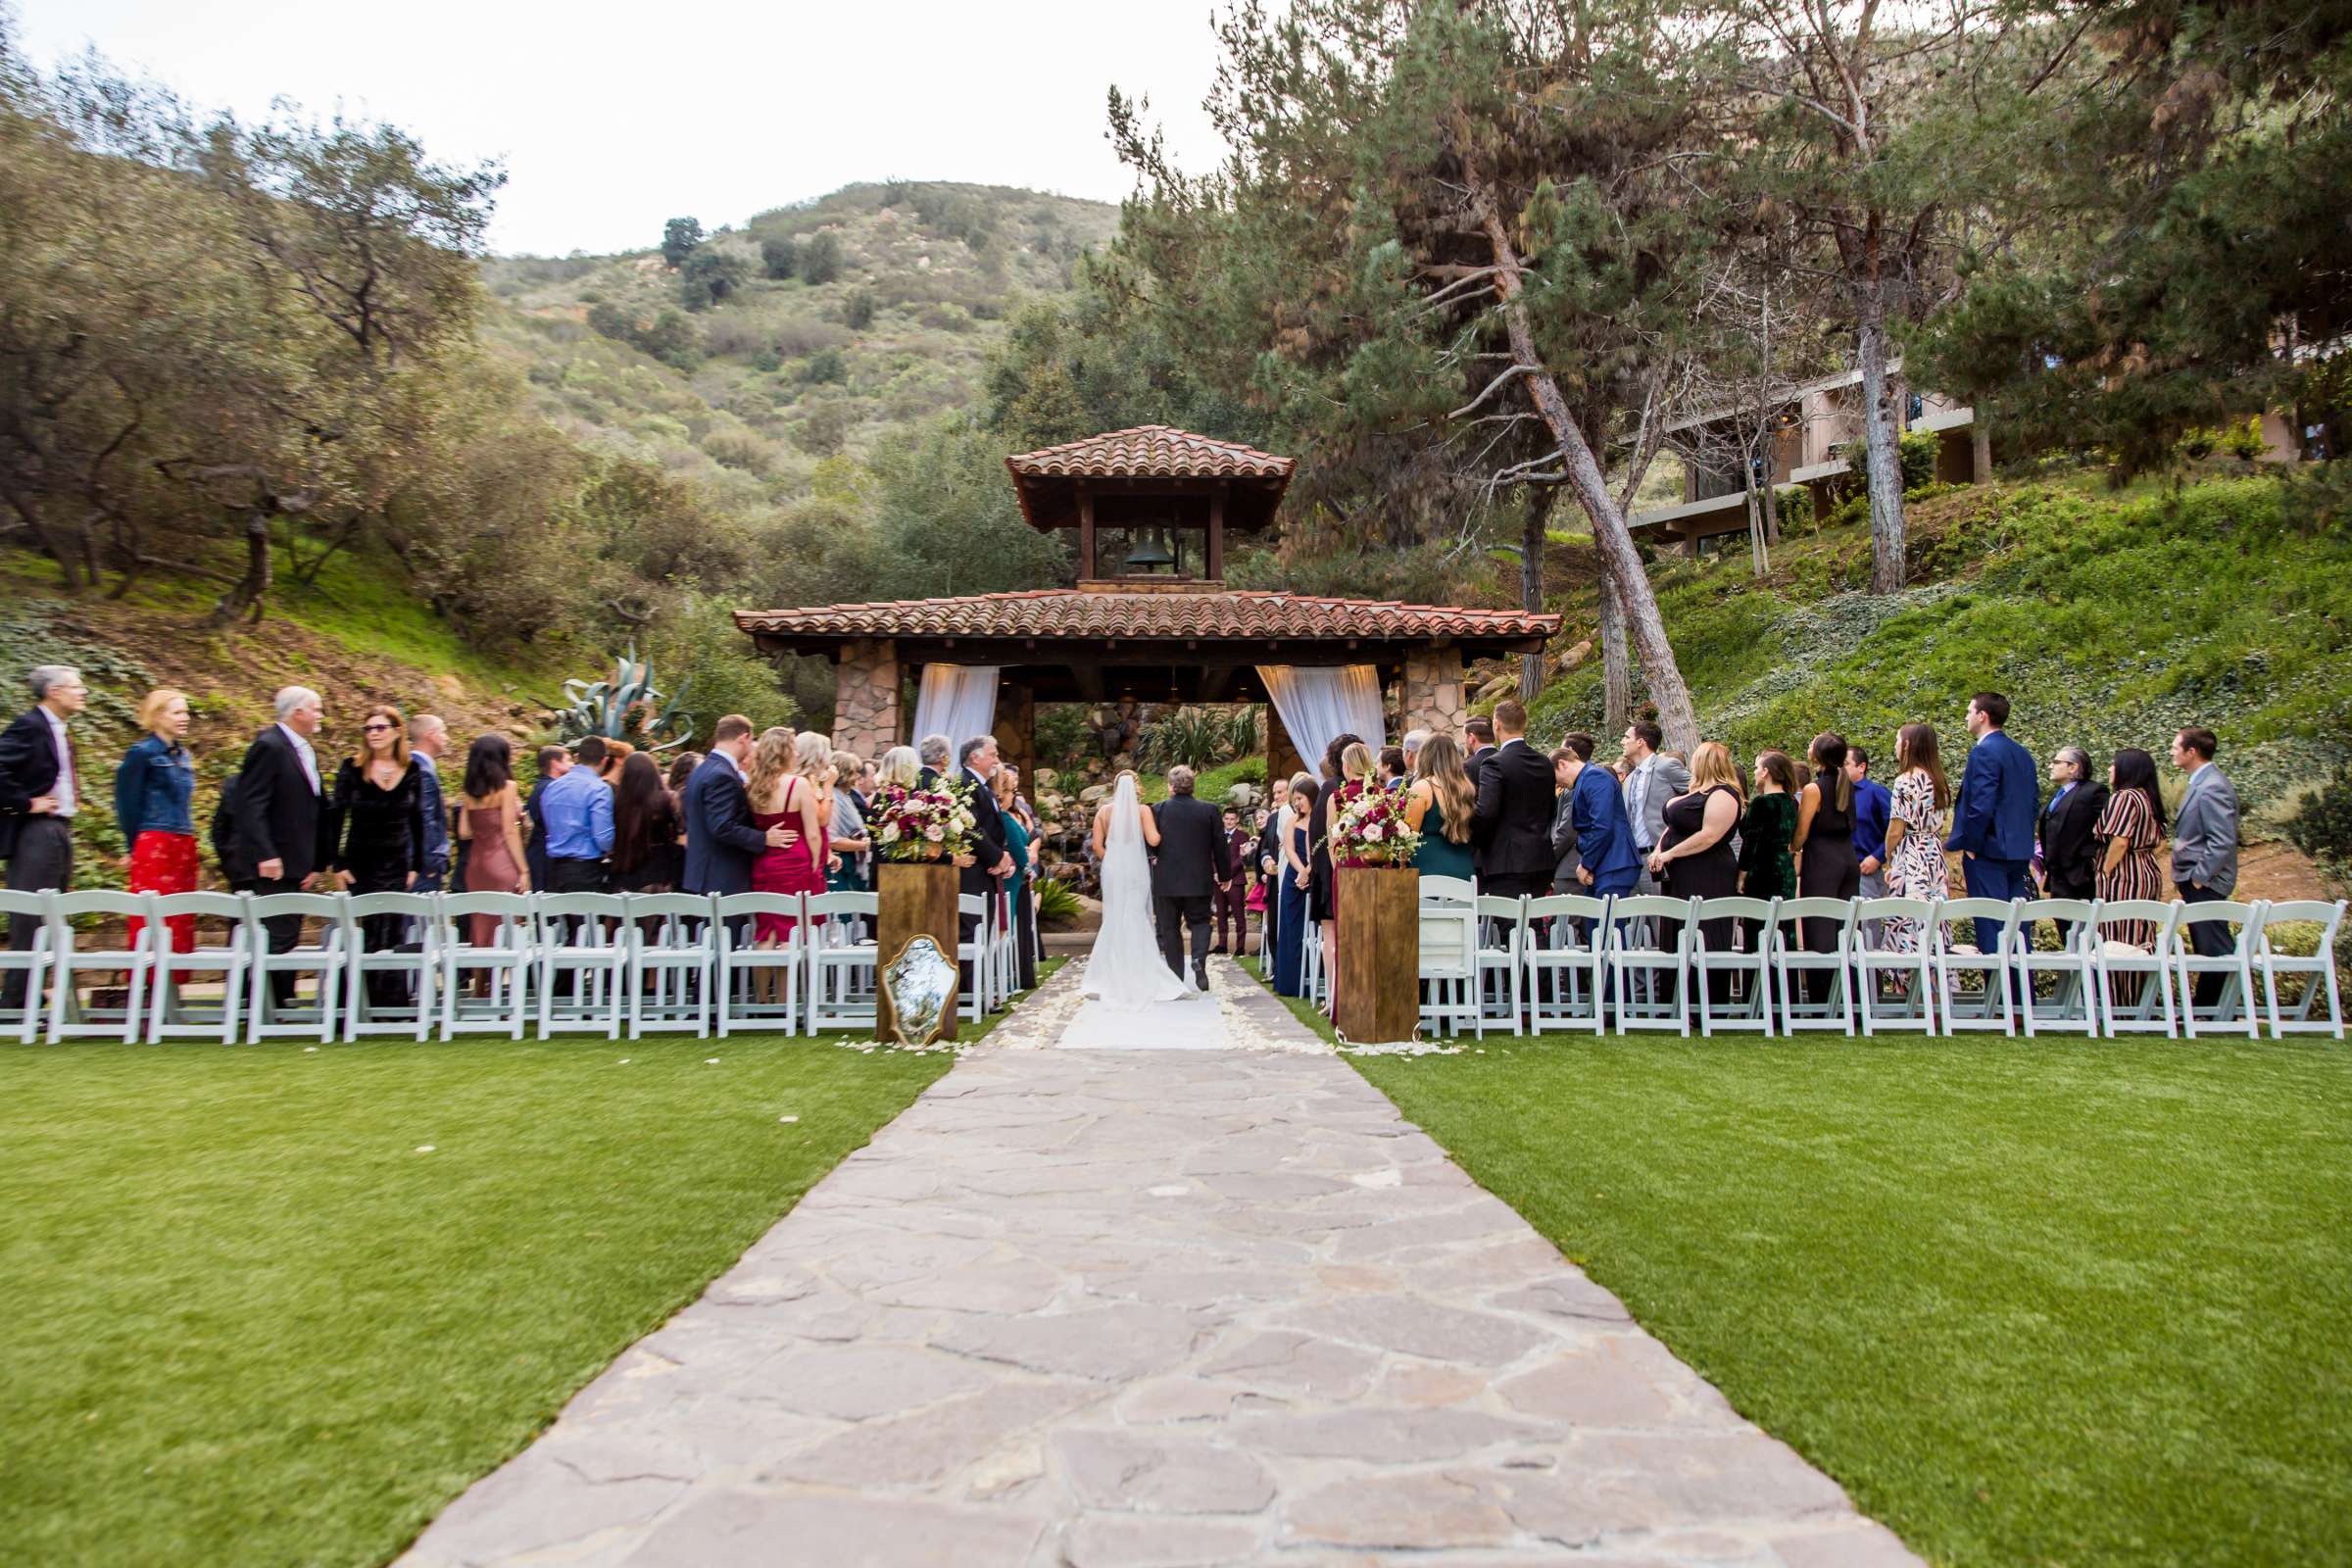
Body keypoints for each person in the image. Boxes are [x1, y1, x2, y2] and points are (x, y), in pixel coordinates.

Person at [227, 687, 328, 1005]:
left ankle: (275, 1001)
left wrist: (315, 861)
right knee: (274, 934)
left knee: (287, 932)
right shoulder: (269, 745)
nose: (320, 716)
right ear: (297, 712)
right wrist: (266, 853)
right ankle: (257, 1003)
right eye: (316, 709)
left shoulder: (302, 750)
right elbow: (251, 804)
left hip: (296, 861)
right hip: (274, 861)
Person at [0, 665, 87, 1007]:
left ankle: (29, 994)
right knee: (32, 916)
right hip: (37, 831)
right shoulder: (31, 726)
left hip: (57, 829)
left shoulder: (58, 729)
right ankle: (14, 1003)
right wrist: (25, 803)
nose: (83, 693)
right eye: (76, 687)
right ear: (54, 691)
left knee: (50, 915)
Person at [1085, 770, 1196, 1004]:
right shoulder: (1143, 810)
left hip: (1113, 870)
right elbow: (1154, 839)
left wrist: (1114, 860)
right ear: (1136, 787)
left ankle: (1110, 972)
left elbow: (1097, 846)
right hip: (1136, 869)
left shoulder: (1104, 812)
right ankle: (1140, 969)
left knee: (1114, 916)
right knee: (1135, 914)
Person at [1944, 691, 2037, 957]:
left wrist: (1972, 844)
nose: (1966, 716)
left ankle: (2000, 997)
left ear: (1982, 716)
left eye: (1969, 711)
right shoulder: (2022, 753)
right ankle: (2021, 996)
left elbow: (1981, 805)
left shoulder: (1984, 752)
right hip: (2018, 851)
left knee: (1992, 928)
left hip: (1988, 852)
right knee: (2019, 931)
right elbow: (2032, 804)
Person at [1650, 741, 1745, 1000]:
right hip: (1679, 873)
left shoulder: (1724, 794)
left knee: (1704, 928)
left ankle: (1705, 1000)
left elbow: (1710, 835)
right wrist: (1659, 850)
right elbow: (1673, 826)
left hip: (1707, 872)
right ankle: (1675, 999)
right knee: (1676, 928)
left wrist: (1671, 852)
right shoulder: (1693, 792)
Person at [116, 689, 199, 970]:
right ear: (158, 715)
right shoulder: (142, 754)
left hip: (184, 839)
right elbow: (128, 804)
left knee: (181, 915)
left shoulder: (182, 755)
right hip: (155, 840)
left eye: (186, 712)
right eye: (177, 712)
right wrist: (132, 847)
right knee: (152, 914)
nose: (184, 718)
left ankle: (173, 990)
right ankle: (147, 988)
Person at [682, 715, 793, 900]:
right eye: (751, 741)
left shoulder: (703, 770)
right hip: (722, 878)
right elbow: (722, 826)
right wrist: (763, 838)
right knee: (726, 929)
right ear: (744, 738)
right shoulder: (721, 775)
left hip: (704, 874)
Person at [2169, 726, 2241, 1005]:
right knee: (2207, 944)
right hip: (2198, 880)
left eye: (2176, 747)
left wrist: (2200, 877)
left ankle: (2212, 1008)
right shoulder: (2201, 782)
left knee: (2214, 947)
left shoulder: (2212, 786)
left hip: (2206, 882)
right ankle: (2211, 1008)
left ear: (2192, 752)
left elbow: (2222, 840)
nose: (2172, 751)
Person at [1148, 764, 1234, 990]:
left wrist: (1154, 858)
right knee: (1200, 922)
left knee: (1170, 928)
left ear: (1171, 787)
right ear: (1192, 786)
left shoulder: (1158, 810)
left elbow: (1151, 843)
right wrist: (1225, 875)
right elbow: (1220, 847)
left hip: (1166, 881)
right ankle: (1198, 959)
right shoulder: (1209, 810)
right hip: (1199, 879)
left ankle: (1176, 977)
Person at [1473, 700, 1560, 901]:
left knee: (1508, 928)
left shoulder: (1494, 763)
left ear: (1497, 724)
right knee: (1534, 926)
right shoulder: (1544, 762)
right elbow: (1550, 809)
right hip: (1541, 858)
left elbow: (1486, 812)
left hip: (1505, 861)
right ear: (1524, 724)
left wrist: (1473, 839)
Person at [1792, 732, 1861, 988]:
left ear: (1817, 754)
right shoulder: (1847, 783)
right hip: (1848, 858)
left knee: (1819, 928)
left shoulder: (1814, 789)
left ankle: (1823, 996)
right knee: (1847, 928)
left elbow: (1801, 832)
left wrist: (1792, 849)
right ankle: (1850, 995)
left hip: (1822, 861)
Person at [456, 735, 531, 956]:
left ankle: (480, 984)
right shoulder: (508, 787)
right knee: (506, 922)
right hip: (502, 861)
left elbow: (464, 832)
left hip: (477, 865)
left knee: (481, 923)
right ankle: (500, 982)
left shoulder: (470, 792)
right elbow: (509, 830)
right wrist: (524, 870)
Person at [1882, 724, 1951, 953]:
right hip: (1933, 854)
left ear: (1907, 744)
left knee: (1908, 919)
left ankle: (1906, 980)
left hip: (1911, 853)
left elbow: (1895, 828)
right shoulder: (1938, 780)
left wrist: (1890, 859)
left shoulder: (1906, 780)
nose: (1895, 745)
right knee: (1934, 919)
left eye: (1897, 740)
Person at [2036, 745, 2109, 949]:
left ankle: (2090, 981)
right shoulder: (2058, 796)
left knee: (2085, 942)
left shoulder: (2094, 792)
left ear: (2073, 767)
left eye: (2057, 762)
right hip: (2058, 878)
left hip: (2080, 877)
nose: (2051, 766)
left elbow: (2106, 830)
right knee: (2067, 938)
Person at [2094, 748, 2167, 953]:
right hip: (2148, 869)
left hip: (2123, 873)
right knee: (2143, 932)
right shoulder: (2149, 798)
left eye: (2114, 765)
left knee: (2119, 935)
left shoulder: (2124, 797)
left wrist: (2106, 871)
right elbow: (2162, 841)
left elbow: (2120, 841)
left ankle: (2121, 985)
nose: (2109, 769)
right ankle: (2142, 984)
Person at [1620, 720, 1691, 898]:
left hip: (1659, 856)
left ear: (1640, 742)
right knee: (1636, 922)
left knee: (1659, 919)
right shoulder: (1629, 779)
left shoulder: (1666, 766)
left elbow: (1698, 791)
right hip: (1631, 859)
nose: (1622, 741)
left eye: (1627, 737)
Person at [539, 735, 614, 896]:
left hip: (553, 869)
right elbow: (603, 838)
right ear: (605, 760)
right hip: (585, 870)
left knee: (560, 920)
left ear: (578, 757)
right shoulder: (599, 789)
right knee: (588, 920)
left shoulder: (552, 787)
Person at [1405, 732, 1478, 883]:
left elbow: (1409, 837)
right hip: (1464, 869)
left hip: (1428, 869)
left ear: (1425, 756)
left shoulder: (1422, 787)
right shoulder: (1466, 788)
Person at [612, 751, 685, 895]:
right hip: (662, 870)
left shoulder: (619, 803)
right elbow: (682, 835)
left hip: (626, 870)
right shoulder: (667, 799)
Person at [993, 765, 1039, 989]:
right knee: (1005, 925)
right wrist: (1029, 870)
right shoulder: (1005, 818)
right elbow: (1017, 848)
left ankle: (1006, 977)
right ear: (1004, 793)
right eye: (1012, 791)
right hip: (1013, 877)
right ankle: (1002, 980)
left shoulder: (1007, 816)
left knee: (1006, 926)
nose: (1015, 795)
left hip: (1015, 876)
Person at [1274, 775, 1317, 997]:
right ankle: (1289, 981)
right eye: (1295, 799)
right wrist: (1301, 870)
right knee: (1291, 927)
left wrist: (1309, 870)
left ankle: (1312, 978)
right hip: (1294, 877)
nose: (1297, 803)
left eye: (1301, 798)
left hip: (1312, 875)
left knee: (1310, 929)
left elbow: (1318, 848)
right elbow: (1289, 849)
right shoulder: (1292, 821)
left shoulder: (1319, 820)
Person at [1848, 746, 1891, 942]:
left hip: (1866, 870)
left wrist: (1877, 856)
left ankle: (1872, 973)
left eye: (1846, 764)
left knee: (1867, 931)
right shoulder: (1836, 795)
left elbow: (1896, 829)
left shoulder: (1876, 793)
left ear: (1862, 767)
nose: (1841, 769)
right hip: (1841, 872)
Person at [407, 715, 453, 894]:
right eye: (443, 732)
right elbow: (424, 819)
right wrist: (432, 863)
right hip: (424, 868)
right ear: (431, 735)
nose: (446, 738)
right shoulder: (422, 770)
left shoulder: (413, 766)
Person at [523, 744, 567, 894]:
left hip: (537, 851)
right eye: (568, 760)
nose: (573, 765)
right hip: (544, 857)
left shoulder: (540, 786)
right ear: (555, 763)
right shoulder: (552, 788)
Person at [828, 750, 873, 892]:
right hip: (841, 864)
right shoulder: (834, 798)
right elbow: (832, 839)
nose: (858, 776)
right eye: (855, 772)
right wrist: (862, 845)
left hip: (852, 860)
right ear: (844, 774)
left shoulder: (845, 795)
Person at [1213, 805, 1251, 955]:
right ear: (1223, 820)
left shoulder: (1243, 836)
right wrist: (1217, 873)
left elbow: (1242, 858)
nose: (1229, 821)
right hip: (1218, 880)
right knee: (1221, 913)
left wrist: (1227, 874)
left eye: (1232, 819)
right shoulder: (1217, 835)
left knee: (1238, 914)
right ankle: (1222, 944)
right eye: (1227, 819)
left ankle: (1240, 946)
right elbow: (1212, 856)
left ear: (1237, 820)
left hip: (1236, 880)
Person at [1548, 745, 1583, 895]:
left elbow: (1566, 832)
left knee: (1567, 917)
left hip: (1570, 867)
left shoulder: (1573, 790)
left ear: (1562, 764)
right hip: (1570, 867)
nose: (1556, 783)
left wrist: (1548, 860)